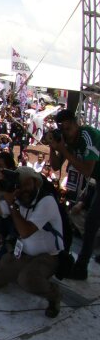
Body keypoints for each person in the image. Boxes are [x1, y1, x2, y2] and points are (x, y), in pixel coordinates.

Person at [0, 166, 63, 317]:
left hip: (48, 256)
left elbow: (25, 232)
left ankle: (54, 294)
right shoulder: (18, 199)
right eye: (20, 185)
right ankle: (24, 274)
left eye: (27, 184)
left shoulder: (46, 201)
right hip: (25, 254)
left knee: (26, 279)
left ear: (35, 183)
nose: (24, 189)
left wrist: (12, 205)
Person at [47, 109, 100, 280]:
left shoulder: (88, 136)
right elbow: (55, 167)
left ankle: (81, 268)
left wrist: (64, 149)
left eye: (68, 129)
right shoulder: (66, 140)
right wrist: (53, 147)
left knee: (92, 221)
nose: (66, 134)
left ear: (76, 124)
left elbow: (86, 170)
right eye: (62, 130)